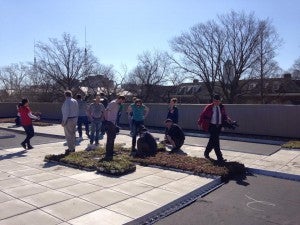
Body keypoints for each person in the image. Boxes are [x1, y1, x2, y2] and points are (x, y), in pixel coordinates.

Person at [198, 94, 231, 162]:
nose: (217, 102)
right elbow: (202, 115)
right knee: (216, 142)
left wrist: (228, 119)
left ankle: (206, 153)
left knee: (212, 141)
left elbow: (224, 115)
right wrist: (199, 123)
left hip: (219, 126)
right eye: (215, 101)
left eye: (218, 101)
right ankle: (220, 158)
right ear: (213, 101)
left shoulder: (221, 107)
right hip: (212, 126)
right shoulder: (209, 107)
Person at [103, 95, 126, 160]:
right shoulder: (113, 103)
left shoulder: (118, 105)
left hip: (113, 123)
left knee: (113, 137)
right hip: (110, 122)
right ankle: (108, 153)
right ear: (120, 99)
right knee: (110, 138)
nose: (122, 102)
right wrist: (107, 121)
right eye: (122, 101)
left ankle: (111, 151)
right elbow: (106, 111)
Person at [61, 90, 79, 154]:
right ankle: (73, 148)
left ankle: (70, 149)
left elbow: (66, 112)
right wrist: (76, 119)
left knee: (68, 135)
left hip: (68, 119)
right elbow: (77, 111)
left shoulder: (67, 101)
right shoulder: (75, 101)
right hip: (74, 119)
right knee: (73, 134)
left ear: (65, 95)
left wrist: (64, 121)